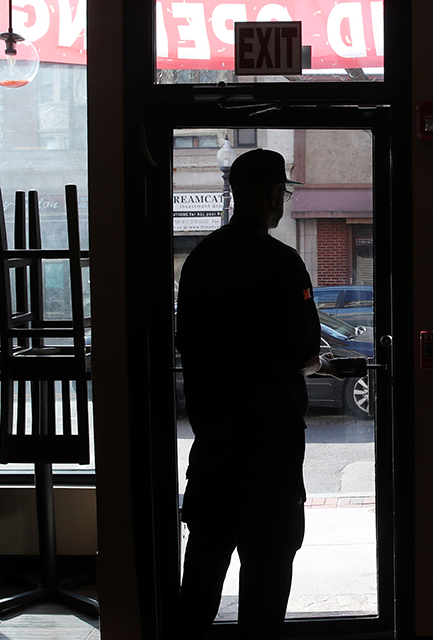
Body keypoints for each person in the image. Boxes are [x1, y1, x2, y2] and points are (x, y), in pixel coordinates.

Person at [175, 148, 361, 640]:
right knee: (268, 566)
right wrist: (319, 362)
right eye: (280, 192)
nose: (281, 202)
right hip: (269, 446)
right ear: (269, 195)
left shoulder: (199, 260)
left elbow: (185, 343)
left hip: (213, 442)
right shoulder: (281, 262)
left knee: (204, 561)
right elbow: (303, 350)